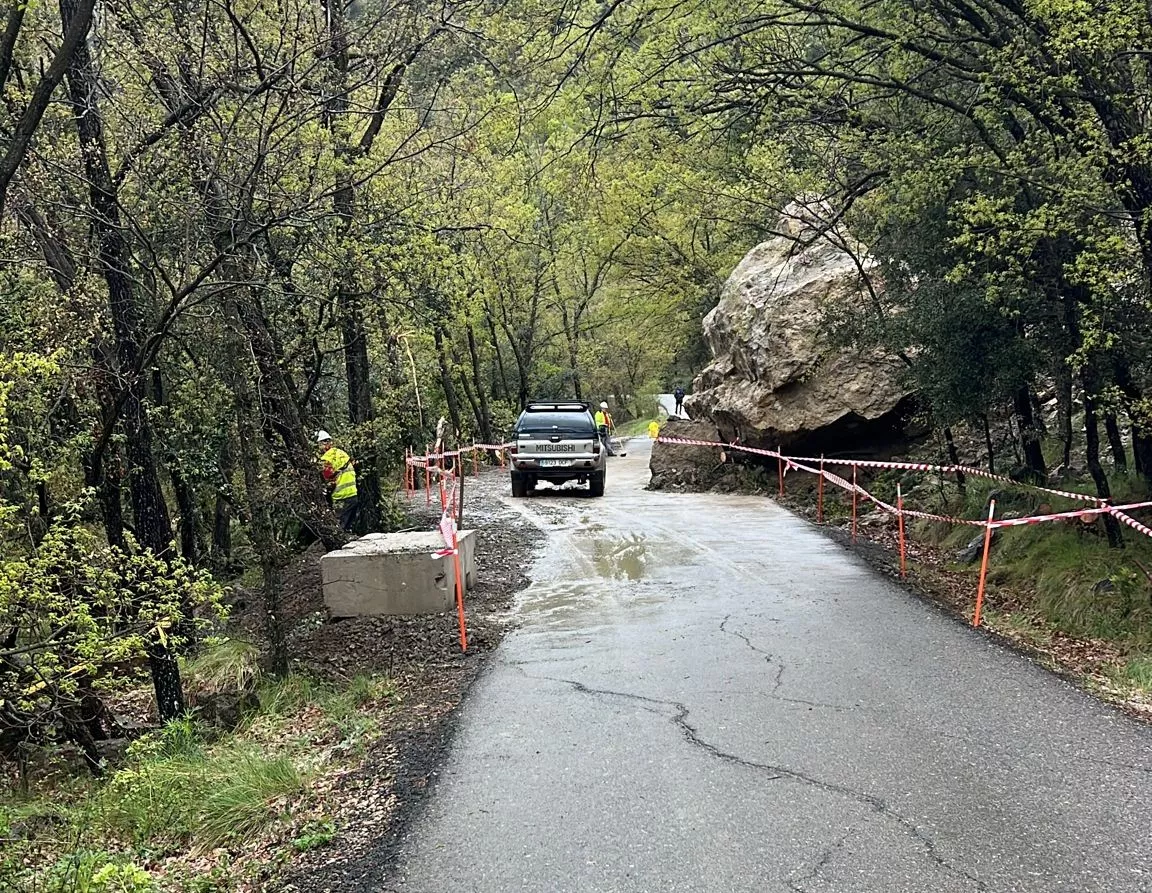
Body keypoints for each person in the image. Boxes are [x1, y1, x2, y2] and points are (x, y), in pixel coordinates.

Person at [317, 430, 359, 531]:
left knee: (339, 529)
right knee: (348, 527)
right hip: (353, 495)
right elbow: (354, 464)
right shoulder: (342, 453)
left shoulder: (327, 458)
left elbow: (327, 476)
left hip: (340, 497)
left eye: (319, 444)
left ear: (324, 444)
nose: (319, 447)